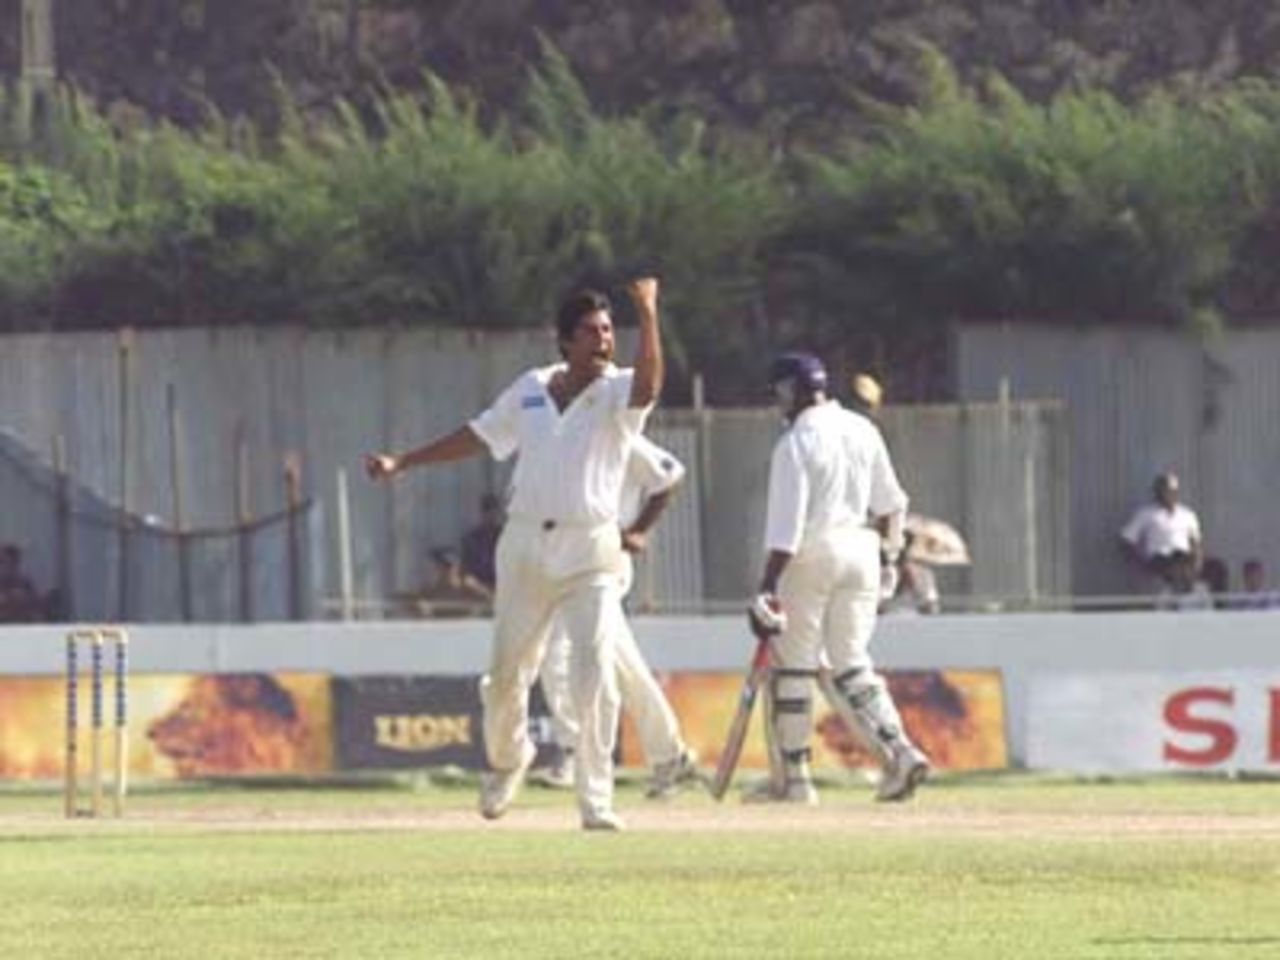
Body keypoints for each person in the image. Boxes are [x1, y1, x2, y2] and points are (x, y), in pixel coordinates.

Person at [365, 277, 663, 832]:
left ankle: (595, 800)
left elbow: (648, 385)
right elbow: (478, 436)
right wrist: (403, 462)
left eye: (607, 331)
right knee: (506, 676)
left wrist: (647, 314)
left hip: (591, 547)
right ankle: (509, 760)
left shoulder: (619, 393)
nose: (603, 341)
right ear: (564, 341)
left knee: (594, 669)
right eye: (591, 333)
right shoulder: (530, 390)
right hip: (525, 544)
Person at [746, 351, 929, 805]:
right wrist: (887, 559)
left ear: (789, 391)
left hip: (813, 552)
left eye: (779, 395)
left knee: (793, 668)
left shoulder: (794, 444)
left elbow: (786, 534)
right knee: (851, 663)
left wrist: (766, 587)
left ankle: (795, 781)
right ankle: (901, 753)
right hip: (862, 551)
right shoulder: (862, 429)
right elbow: (893, 505)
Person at [535, 434, 700, 798]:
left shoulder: (618, 434)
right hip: (573, 559)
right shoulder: (565, 435)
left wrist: (639, 529)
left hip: (605, 560)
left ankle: (575, 748)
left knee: (555, 651)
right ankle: (670, 755)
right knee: (623, 664)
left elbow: (671, 474)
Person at [1119, 472, 1203, 591]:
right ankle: (1178, 594)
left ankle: (1190, 595)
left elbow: (1196, 542)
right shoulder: (1146, 513)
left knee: (1200, 567)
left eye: (1170, 491)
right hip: (1159, 558)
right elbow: (1127, 539)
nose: (1167, 495)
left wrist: (1197, 563)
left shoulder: (1187, 514)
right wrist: (1142, 561)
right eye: (1163, 491)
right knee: (1175, 568)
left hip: (1183, 557)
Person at [461, 493, 503, 593]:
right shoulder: (471, 538)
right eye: (488, 511)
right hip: (478, 587)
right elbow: (466, 573)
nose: (491, 516)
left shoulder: (504, 537)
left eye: (494, 512)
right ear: (482, 513)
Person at [0, 544, 43, 622]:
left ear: (17, 563)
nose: (5, 566)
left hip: (21, 626)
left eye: (11, 562)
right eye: (2, 562)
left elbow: (36, 608)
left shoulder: (25, 583)